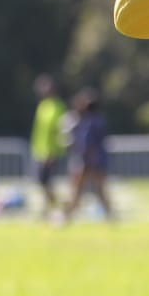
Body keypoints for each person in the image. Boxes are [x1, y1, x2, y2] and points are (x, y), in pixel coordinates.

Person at [62, 87, 114, 222]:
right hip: (99, 161)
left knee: (76, 192)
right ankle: (110, 217)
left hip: (88, 161)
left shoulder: (88, 122)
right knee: (100, 191)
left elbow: (86, 143)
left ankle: (66, 217)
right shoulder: (101, 120)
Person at [30, 74, 67, 217]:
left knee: (47, 181)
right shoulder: (43, 106)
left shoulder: (58, 106)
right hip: (40, 151)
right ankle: (53, 206)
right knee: (42, 182)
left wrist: (53, 152)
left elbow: (60, 131)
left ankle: (55, 207)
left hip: (52, 152)